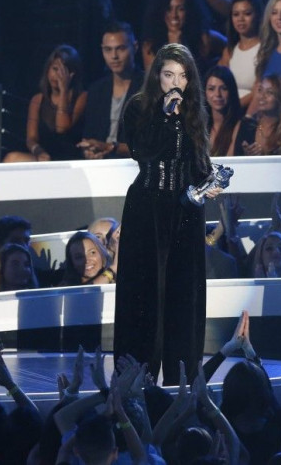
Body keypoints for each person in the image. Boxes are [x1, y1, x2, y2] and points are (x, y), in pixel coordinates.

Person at [113, 43, 222, 385]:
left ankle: (181, 381)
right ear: (156, 76)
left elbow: (196, 161)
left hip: (186, 211)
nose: (176, 83)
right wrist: (162, 114)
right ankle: (137, 379)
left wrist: (210, 182)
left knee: (182, 293)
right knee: (145, 291)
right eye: (168, 75)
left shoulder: (194, 110)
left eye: (182, 76)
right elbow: (141, 150)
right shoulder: (139, 108)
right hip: (148, 209)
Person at [3, 45, 87, 162]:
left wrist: (63, 90)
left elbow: (61, 128)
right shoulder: (37, 99)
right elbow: (31, 138)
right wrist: (39, 151)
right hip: (46, 157)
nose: (57, 75)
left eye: (63, 71)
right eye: (55, 69)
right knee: (11, 158)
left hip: (70, 158)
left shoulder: (81, 97)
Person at [77, 21, 145, 160]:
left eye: (120, 49)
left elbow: (150, 145)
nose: (114, 56)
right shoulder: (97, 90)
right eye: (108, 49)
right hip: (100, 165)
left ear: (135, 47)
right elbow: (89, 135)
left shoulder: (149, 88)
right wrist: (89, 150)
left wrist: (112, 148)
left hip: (134, 165)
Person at [141, 0, 226, 75]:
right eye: (169, 9)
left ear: (189, 12)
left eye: (180, 9)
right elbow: (154, 81)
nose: (174, 15)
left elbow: (232, 47)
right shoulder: (150, 45)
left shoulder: (204, 38)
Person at [235, 74, 281, 155]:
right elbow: (235, 162)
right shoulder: (247, 126)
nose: (262, 96)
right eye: (260, 90)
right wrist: (247, 157)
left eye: (269, 92)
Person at [218, 0, 264, 109]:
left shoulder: (265, 49)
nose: (241, 19)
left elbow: (257, 92)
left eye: (247, 13)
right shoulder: (229, 51)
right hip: (227, 110)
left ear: (258, 16)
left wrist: (234, 109)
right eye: (236, 14)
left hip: (251, 114)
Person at [205, 65, 242, 156]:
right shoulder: (199, 126)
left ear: (231, 91)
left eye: (224, 88)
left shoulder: (239, 126)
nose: (217, 94)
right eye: (211, 89)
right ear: (204, 93)